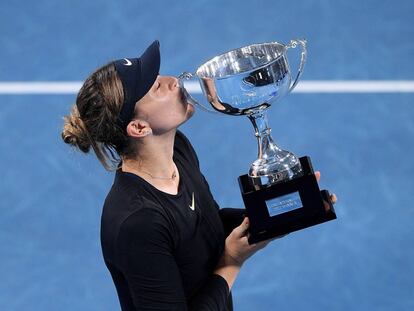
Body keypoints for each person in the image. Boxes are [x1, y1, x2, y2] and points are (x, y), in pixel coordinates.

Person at [61, 40, 337, 311]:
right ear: (138, 127)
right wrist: (231, 261)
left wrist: (285, 212)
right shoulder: (138, 222)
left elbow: (202, 227)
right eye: (157, 87)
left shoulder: (177, 150)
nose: (174, 81)